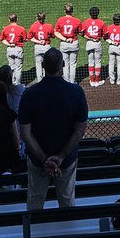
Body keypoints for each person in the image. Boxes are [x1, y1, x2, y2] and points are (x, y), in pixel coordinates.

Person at [18, 47, 89, 211]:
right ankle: (66, 235)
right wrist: (61, 157)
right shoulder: (76, 92)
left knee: (35, 199)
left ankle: (33, 234)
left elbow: (25, 134)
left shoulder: (29, 94)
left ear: (42, 66)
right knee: (67, 200)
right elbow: (80, 131)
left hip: (37, 160)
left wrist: (45, 159)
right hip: (67, 159)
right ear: (63, 65)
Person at [54, 3, 81, 83]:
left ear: (64, 11)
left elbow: (56, 32)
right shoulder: (77, 20)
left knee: (65, 64)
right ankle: (72, 83)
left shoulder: (60, 20)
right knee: (73, 64)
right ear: (72, 11)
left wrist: (65, 39)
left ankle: (66, 82)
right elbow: (80, 32)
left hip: (64, 44)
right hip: (74, 43)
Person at [27, 11, 55, 81]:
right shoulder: (49, 26)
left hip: (38, 47)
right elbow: (53, 36)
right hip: (46, 47)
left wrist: (38, 41)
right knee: (47, 64)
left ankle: (39, 81)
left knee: (38, 64)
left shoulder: (33, 26)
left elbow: (30, 37)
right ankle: (47, 80)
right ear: (45, 18)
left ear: (37, 18)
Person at [0, 13, 27, 83]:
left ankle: (11, 83)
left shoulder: (5, 29)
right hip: (18, 49)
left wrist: (9, 44)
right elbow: (25, 39)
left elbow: (2, 39)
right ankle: (17, 84)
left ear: (9, 20)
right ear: (17, 19)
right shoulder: (21, 29)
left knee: (11, 67)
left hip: (9, 49)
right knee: (18, 68)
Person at [105, 12, 120, 85]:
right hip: (119, 47)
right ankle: (119, 80)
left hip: (111, 47)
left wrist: (111, 41)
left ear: (113, 20)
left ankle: (112, 80)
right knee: (119, 64)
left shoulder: (108, 27)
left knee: (111, 63)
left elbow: (105, 37)